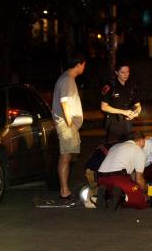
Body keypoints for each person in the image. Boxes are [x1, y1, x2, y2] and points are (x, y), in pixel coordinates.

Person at [52, 52, 86, 200]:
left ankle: (64, 189)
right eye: (84, 64)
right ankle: (64, 191)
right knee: (65, 157)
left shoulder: (67, 78)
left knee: (66, 157)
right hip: (66, 124)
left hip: (67, 124)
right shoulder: (67, 80)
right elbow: (64, 102)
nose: (84, 67)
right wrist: (70, 123)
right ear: (78, 64)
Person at [96, 131, 148, 211]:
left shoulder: (115, 146)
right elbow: (139, 179)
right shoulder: (138, 150)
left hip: (100, 178)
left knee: (118, 187)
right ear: (141, 140)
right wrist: (145, 192)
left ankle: (107, 195)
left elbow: (131, 174)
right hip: (118, 179)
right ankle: (122, 196)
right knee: (141, 200)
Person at [100, 61, 141, 143]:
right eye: (122, 72)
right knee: (114, 147)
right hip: (114, 122)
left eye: (127, 72)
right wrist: (123, 112)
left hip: (128, 121)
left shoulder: (131, 85)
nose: (126, 74)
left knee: (128, 146)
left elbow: (138, 105)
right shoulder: (110, 86)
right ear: (116, 72)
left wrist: (136, 113)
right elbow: (103, 106)